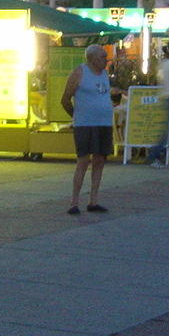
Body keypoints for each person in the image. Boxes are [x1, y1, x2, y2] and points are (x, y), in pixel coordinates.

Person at [61, 44, 115, 214]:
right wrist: (76, 116)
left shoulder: (104, 74)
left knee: (99, 161)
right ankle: (74, 201)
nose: (106, 60)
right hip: (85, 124)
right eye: (102, 57)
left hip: (104, 123)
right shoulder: (80, 72)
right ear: (91, 58)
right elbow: (65, 99)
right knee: (83, 161)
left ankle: (93, 200)